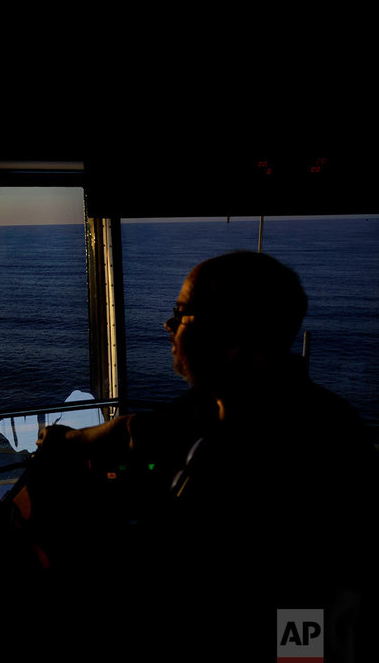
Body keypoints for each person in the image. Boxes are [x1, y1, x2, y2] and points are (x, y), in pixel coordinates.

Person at [28, 251, 377, 659]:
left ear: (232, 339)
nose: (168, 325)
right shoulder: (226, 405)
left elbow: (321, 612)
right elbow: (134, 430)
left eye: (182, 313)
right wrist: (64, 440)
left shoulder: (305, 448)